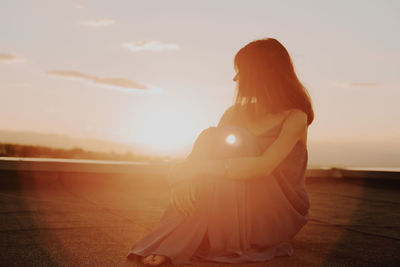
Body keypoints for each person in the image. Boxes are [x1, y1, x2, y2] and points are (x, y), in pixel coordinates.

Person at [126, 38, 314, 266]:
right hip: (233, 198)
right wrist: (183, 180)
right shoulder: (234, 113)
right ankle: (179, 242)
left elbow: (261, 167)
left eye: (240, 71)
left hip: (274, 210)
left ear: (260, 73)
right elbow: (210, 153)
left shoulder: (295, 117)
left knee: (231, 147)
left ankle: (173, 245)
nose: (236, 79)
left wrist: (196, 169)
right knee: (211, 137)